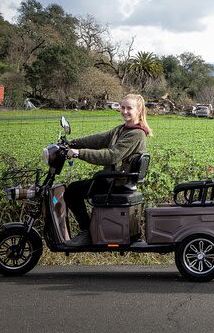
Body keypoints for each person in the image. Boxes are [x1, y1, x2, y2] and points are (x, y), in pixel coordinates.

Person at [63, 93, 152, 246]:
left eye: (129, 108)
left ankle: (87, 232)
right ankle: (90, 231)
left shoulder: (136, 134)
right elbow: (100, 139)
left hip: (117, 183)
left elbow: (112, 156)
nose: (124, 111)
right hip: (113, 179)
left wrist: (79, 153)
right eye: (122, 107)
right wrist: (72, 143)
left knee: (72, 191)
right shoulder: (122, 129)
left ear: (139, 110)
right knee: (77, 188)